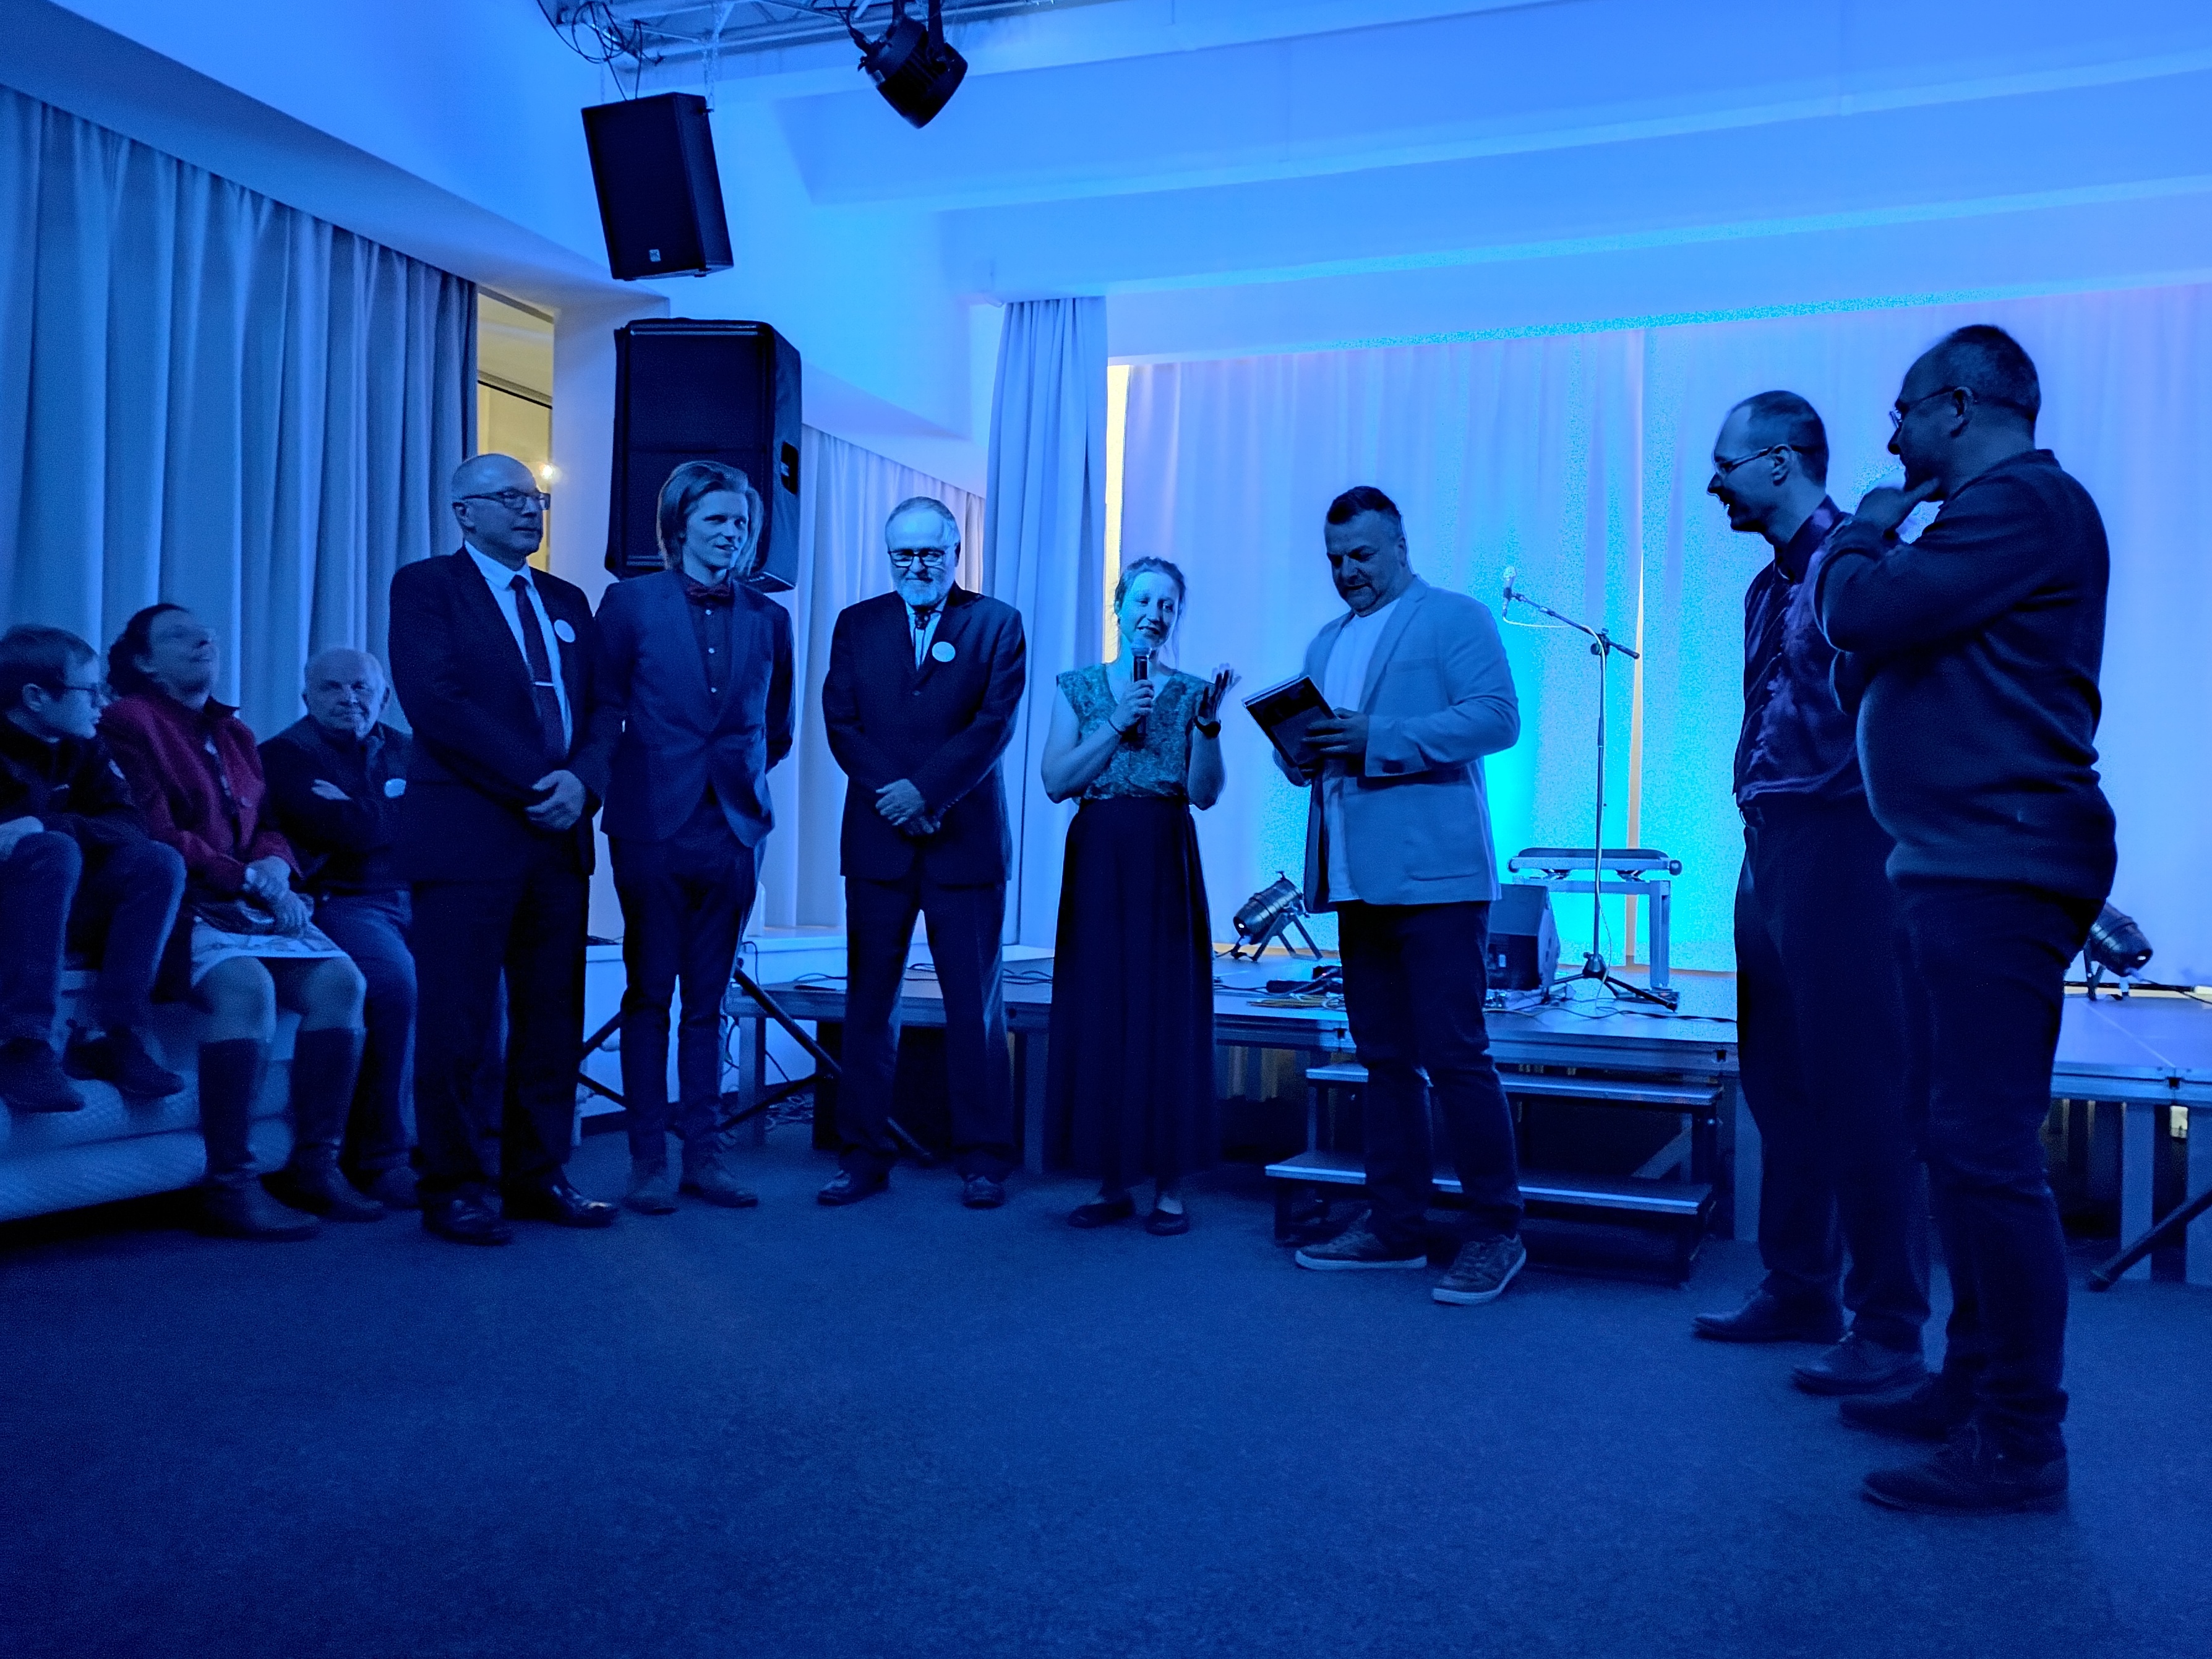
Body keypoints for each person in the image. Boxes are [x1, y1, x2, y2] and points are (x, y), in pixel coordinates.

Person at [1815, 325, 2115, 1515]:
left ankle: (2022, 1437)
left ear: (1955, 405)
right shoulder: (1981, 523)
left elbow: (1855, 617)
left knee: (1986, 1149)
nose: (1889, 437)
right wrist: (1873, 604)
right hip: (1953, 862)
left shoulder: (2025, 503)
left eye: (1900, 411)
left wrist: (1862, 529)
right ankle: (1974, 1382)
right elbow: (1862, 658)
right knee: (1950, 1137)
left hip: (2002, 859)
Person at [1695, 392, 1931, 1395]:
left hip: (1845, 844)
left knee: (1862, 1090)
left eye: (1726, 463)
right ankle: (1799, 1286)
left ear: (1781, 461)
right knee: (1779, 1083)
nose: (1715, 482)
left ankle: (1889, 1327)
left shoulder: (1862, 567)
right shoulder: (1765, 587)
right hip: (1773, 844)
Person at [1280, 486, 1526, 1306]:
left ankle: (1496, 1230)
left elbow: (1497, 719)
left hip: (1438, 879)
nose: (1347, 570)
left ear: (1400, 546)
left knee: (1455, 1055)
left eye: (1362, 554)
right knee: (1384, 1059)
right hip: (1357, 879)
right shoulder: (1324, 643)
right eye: (1336, 558)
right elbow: (1327, 749)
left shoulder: (1454, 618)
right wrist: (1299, 753)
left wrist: (1376, 737)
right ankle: (1396, 1225)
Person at [387, 452, 620, 1245]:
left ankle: (538, 1174)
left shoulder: (567, 599)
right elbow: (437, 704)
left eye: (537, 498)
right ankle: (454, 1186)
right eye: (512, 498)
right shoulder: (427, 588)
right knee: (458, 1022)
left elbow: (605, 708)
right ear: (465, 511)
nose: (530, 510)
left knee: (551, 1018)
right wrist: (541, 783)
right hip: (470, 837)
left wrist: (584, 783)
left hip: (560, 839)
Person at [101, 605, 374, 1238]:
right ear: (144, 662)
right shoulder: (129, 721)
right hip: (180, 900)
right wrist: (248, 877)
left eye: (206, 633)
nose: (203, 639)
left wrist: (275, 866)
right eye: (179, 636)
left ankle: (316, 1166)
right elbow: (154, 832)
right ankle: (231, 1184)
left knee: (343, 983)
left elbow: (269, 826)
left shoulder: (236, 734)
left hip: (248, 896)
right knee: (246, 988)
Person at [593, 461, 794, 1215]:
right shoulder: (628, 603)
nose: (732, 533)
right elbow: (603, 706)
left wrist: (734, 784)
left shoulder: (770, 617)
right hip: (651, 825)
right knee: (650, 996)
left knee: (709, 1003)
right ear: (679, 527)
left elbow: (778, 728)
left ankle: (705, 1159)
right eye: (716, 520)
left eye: (742, 522)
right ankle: (648, 1162)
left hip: (734, 829)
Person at [818, 496, 1026, 1209]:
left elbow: (993, 726)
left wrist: (928, 793)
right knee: (869, 1005)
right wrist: (897, 795)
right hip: (878, 841)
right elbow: (841, 723)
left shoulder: (997, 623)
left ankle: (983, 1160)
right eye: (903, 554)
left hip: (963, 844)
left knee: (975, 1009)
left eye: (930, 553)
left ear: (955, 553)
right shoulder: (857, 624)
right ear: (889, 557)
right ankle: (862, 1156)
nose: (916, 565)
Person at [1041, 557, 1232, 1234]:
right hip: (1099, 853)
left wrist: (1208, 728)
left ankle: (1170, 1185)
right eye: (1144, 601)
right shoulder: (1079, 687)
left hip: (1163, 853)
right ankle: (1111, 1178)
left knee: (1165, 1008)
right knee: (1101, 1006)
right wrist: (1118, 723)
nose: (1155, 614)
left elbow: (1204, 794)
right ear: (1119, 607)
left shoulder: (1191, 693)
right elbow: (1057, 781)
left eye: (1168, 605)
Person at [0, 625, 186, 1114]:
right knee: (52, 850)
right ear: (36, 697)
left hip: (56, 901)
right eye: (89, 690)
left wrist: (46, 823)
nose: (104, 702)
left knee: (158, 861)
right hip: (12, 901)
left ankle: (111, 1034)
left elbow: (131, 825)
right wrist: (43, 836)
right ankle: (21, 1042)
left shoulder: (84, 746)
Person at [259, 648, 419, 1210]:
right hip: (345, 901)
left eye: (360, 688)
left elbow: (444, 824)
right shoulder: (283, 756)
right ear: (307, 697)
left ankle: (468, 1145)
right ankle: (381, 1158)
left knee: (485, 982)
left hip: (421, 896)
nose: (347, 698)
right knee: (394, 986)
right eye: (331, 688)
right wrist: (391, 812)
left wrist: (360, 808)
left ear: (384, 697)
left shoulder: (411, 749)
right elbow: (341, 831)